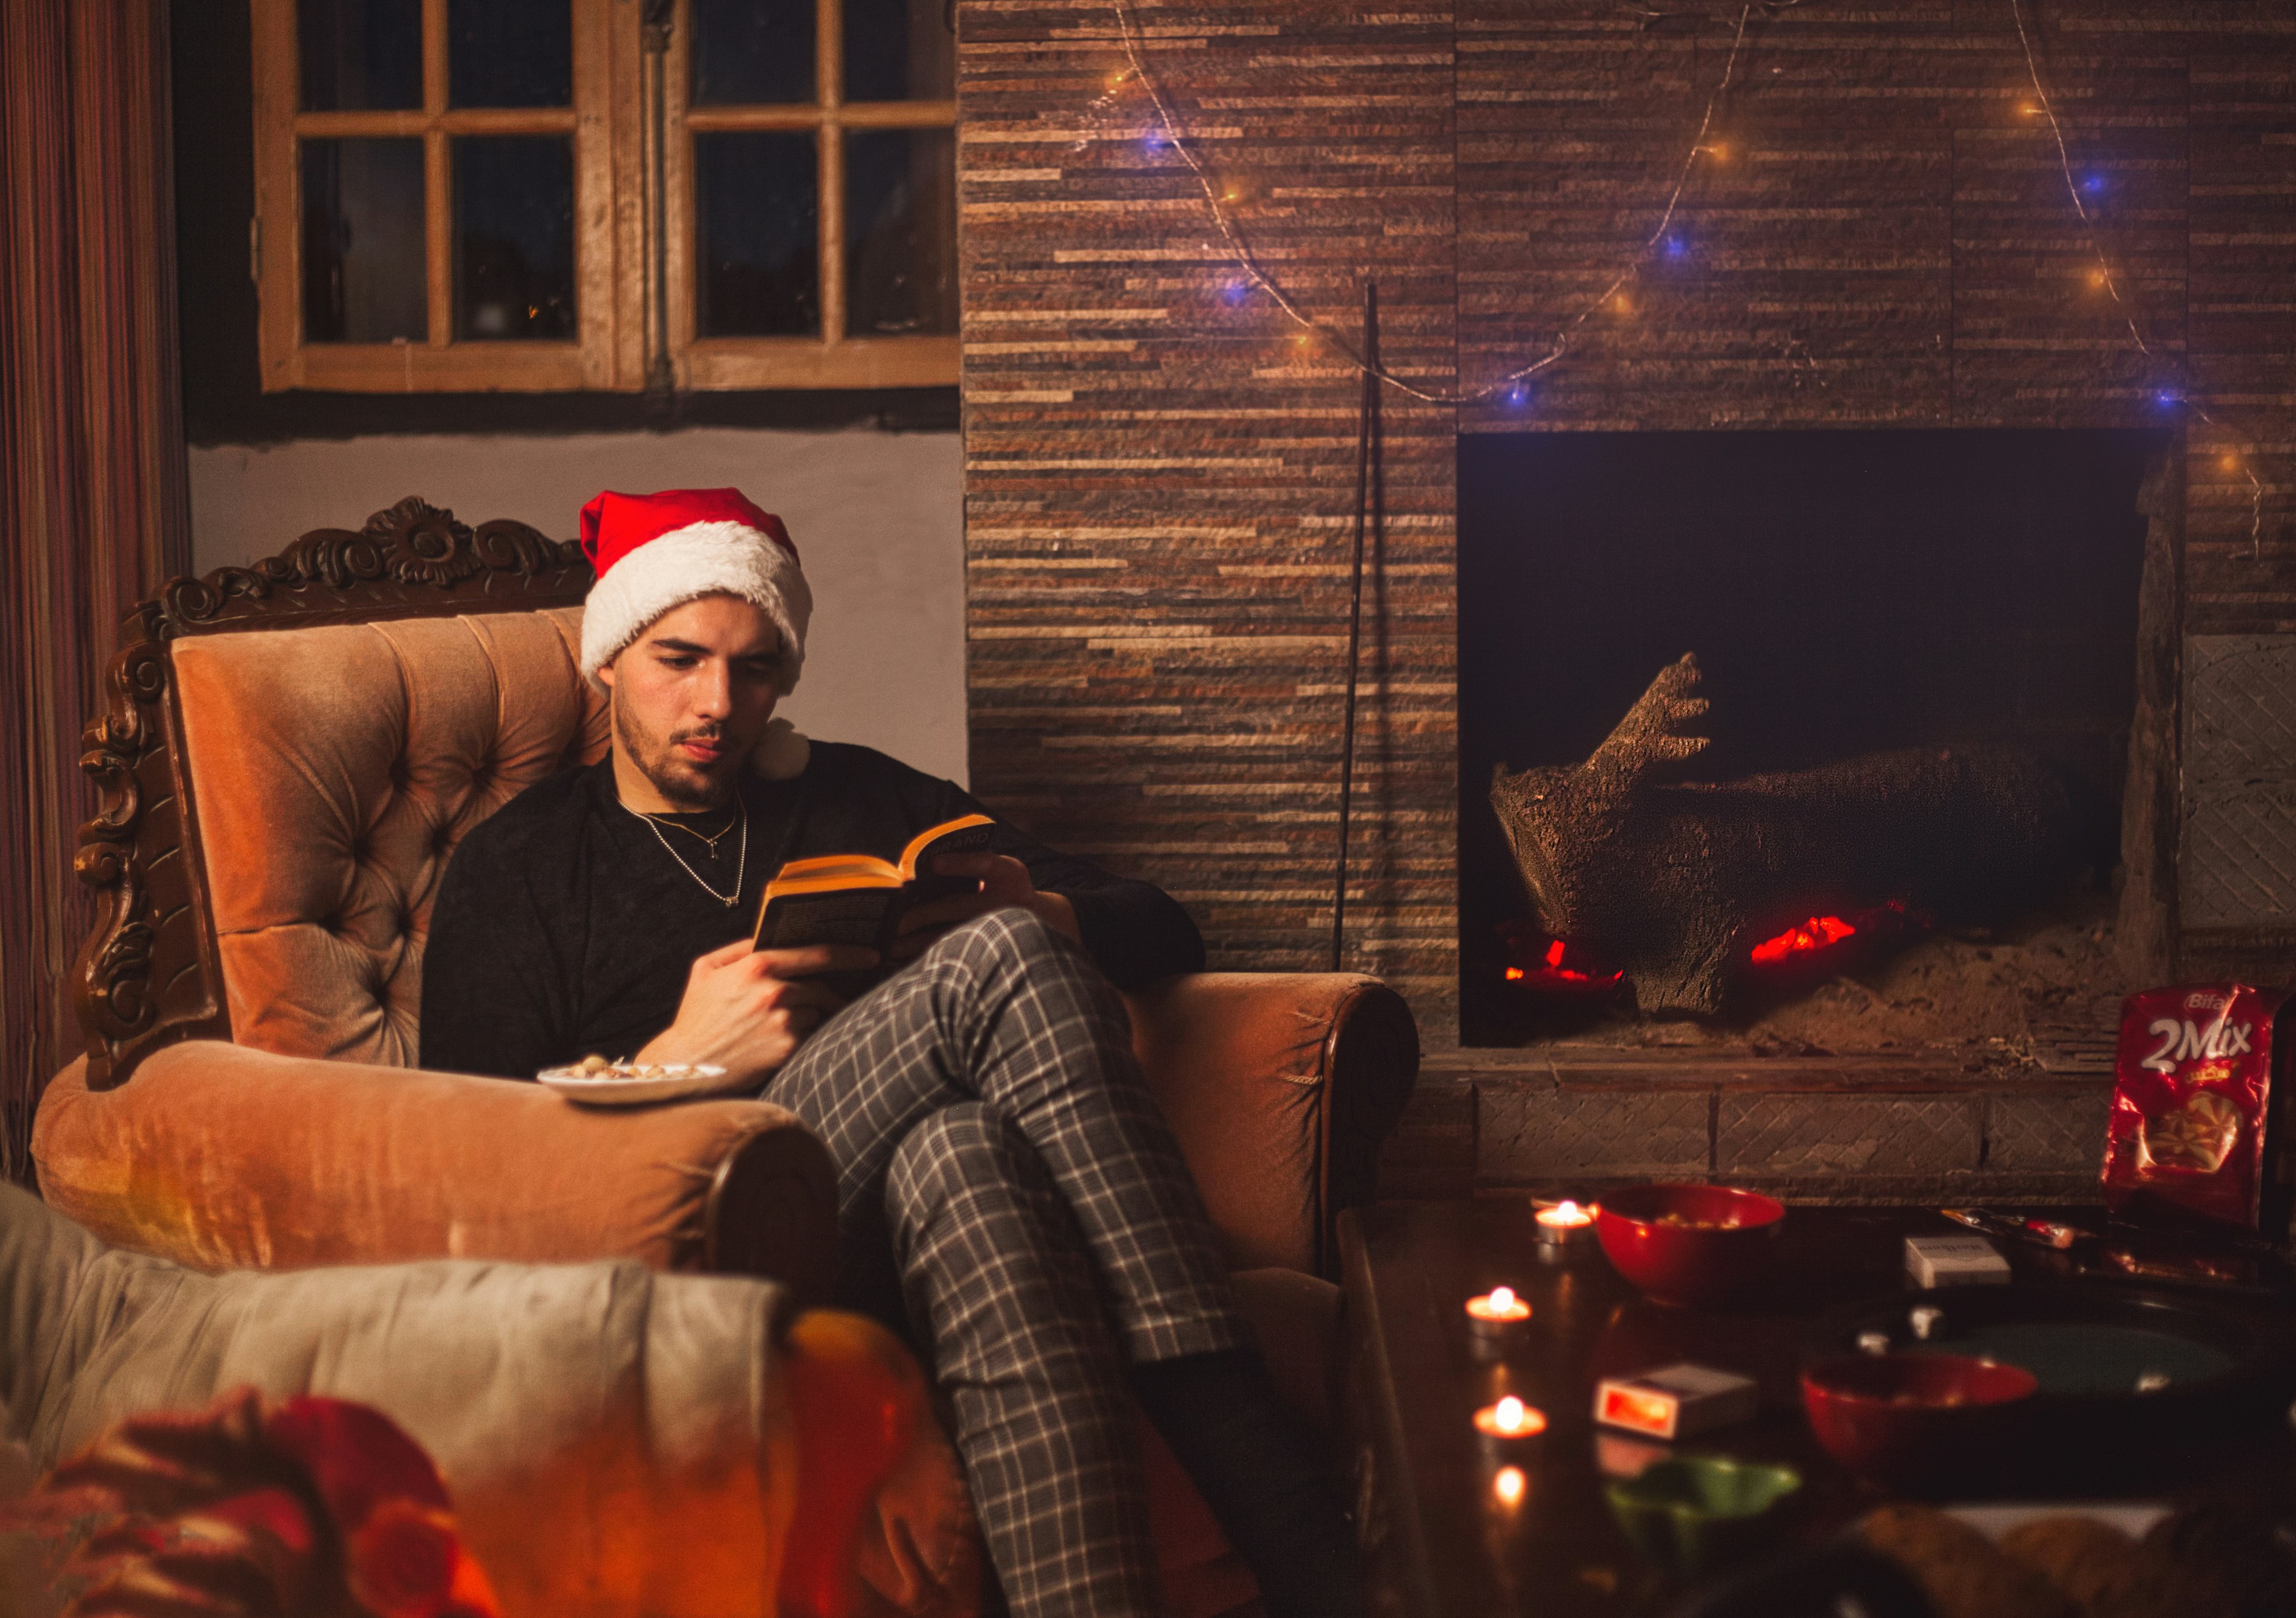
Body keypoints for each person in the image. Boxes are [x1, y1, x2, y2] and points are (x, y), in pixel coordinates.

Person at [418, 488, 1362, 1618]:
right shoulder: (518, 866)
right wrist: (677, 1058)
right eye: (680, 660)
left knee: (965, 1153)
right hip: (683, 1244)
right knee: (998, 966)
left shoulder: (862, 796)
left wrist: (1048, 909)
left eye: (755, 669)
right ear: (609, 660)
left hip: (883, 1234)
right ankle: (1261, 1469)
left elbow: (1164, 926)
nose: (718, 704)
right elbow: (469, 1177)